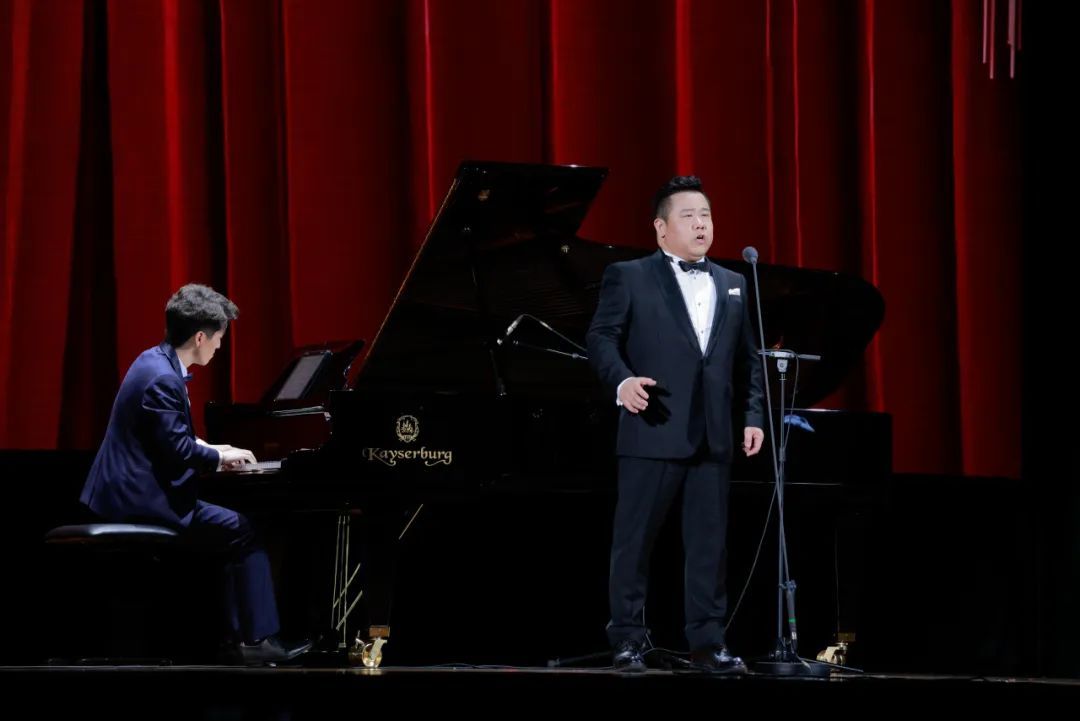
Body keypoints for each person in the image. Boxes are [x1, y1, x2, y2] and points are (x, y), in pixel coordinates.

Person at [586, 176, 765, 673]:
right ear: (661, 228)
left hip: (714, 434)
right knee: (634, 542)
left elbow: (749, 360)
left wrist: (753, 417)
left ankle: (708, 644)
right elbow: (601, 337)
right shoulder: (629, 275)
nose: (701, 224)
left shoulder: (734, 282)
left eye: (706, 214)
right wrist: (622, 381)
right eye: (688, 216)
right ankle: (627, 639)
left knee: (709, 547)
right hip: (652, 425)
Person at [80, 283, 311, 665]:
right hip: (138, 499)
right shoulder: (163, 378)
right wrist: (218, 458)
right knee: (242, 530)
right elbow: (180, 450)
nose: (220, 346)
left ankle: (236, 641)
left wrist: (220, 449)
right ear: (200, 337)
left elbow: (169, 435)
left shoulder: (152, 361)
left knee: (230, 532)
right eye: (219, 337)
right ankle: (257, 640)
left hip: (127, 491)